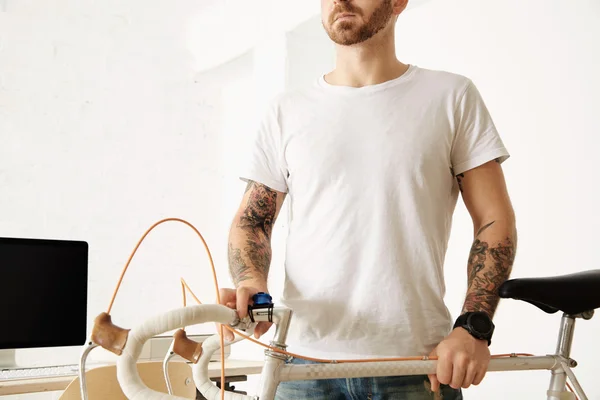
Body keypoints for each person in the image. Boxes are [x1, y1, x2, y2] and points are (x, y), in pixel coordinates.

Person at [219, 0, 517, 398]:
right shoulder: (287, 111)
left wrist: (474, 327)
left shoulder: (450, 96)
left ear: (398, 2)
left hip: (416, 364)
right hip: (302, 367)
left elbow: (493, 221)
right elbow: (252, 221)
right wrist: (251, 282)